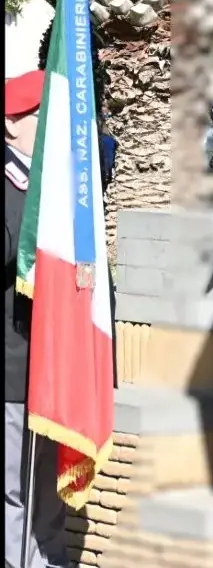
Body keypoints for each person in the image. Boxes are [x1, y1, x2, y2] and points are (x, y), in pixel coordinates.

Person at [4, 71, 69, 568]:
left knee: (50, 484)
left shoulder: (66, 183)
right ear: (12, 125)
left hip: (59, 363)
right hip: (13, 364)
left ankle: (49, 560)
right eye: (42, 117)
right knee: (13, 487)